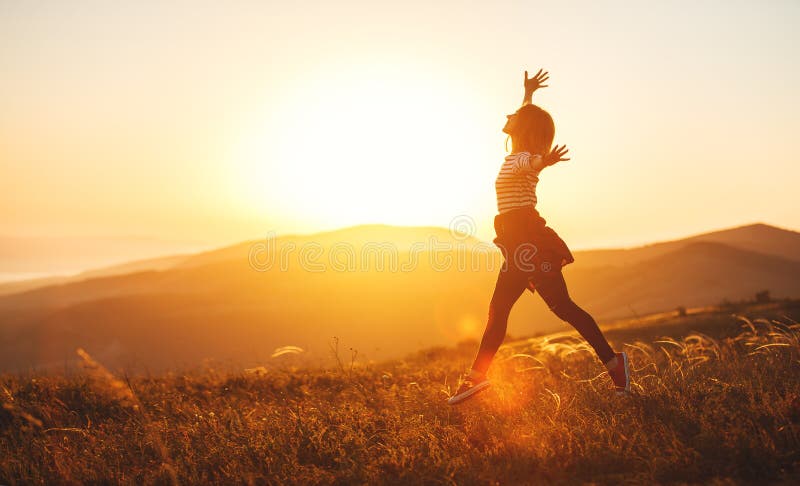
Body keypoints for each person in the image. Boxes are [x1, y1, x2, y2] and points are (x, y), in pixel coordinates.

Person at [447, 69, 630, 406]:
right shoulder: (515, 152)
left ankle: (613, 363)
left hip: (527, 243)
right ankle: (476, 378)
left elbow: (531, 162)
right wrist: (528, 94)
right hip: (517, 244)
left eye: (513, 115)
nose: (507, 115)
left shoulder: (520, 159)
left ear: (522, 127)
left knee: (562, 307)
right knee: (499, 310)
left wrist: (545, 161)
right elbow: (526, 132)